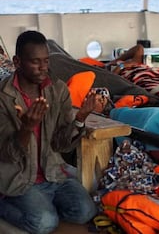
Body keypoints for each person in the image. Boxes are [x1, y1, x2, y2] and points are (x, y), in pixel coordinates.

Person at [0, 31, 98, 234]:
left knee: (85, 212)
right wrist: (26, 129)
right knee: (45, 223)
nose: (43, 68)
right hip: (18, 179)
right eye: (35, 62)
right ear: (17, 62)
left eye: (46, 61)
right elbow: (6, 155)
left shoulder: (58, 90)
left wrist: (80, 119)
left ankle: (42, 205)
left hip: (53, 173)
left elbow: (62, 145)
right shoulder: (3, 97)